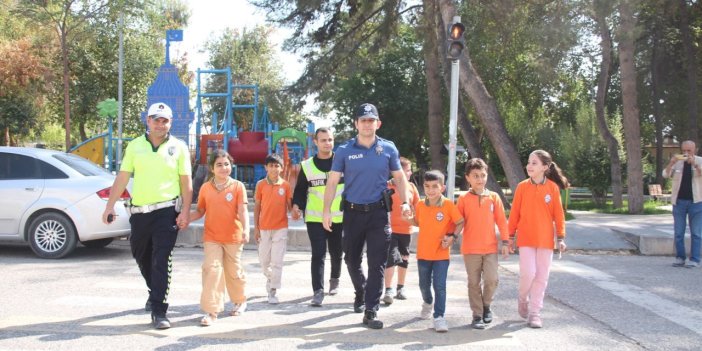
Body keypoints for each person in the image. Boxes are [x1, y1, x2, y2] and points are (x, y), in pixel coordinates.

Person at [102, 102, 193, 330]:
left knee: (161, 259)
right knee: (141, 256)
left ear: (170, 123)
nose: (160, 124)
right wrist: (109, 206)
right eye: (156, 119)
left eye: (165, 120)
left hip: (166, 211)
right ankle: (155, 292)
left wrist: (185, 211)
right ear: (148, 120)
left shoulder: (178, 147)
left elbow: (186, 183)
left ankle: (159, 310)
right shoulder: (134, 146)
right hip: (139, 212)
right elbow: (122, 177)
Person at [322, 102, 411, 330]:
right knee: (351, 259)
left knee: (377, 264)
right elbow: (332, 182)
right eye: (363, 120)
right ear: (356, 123)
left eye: (371, 120)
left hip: (379, 214)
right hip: (352, 213)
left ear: (377, 123)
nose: (367, 124)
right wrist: (326, 211)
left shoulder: (388, 148)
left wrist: (406, 202)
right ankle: (361, 291)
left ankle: (371, 310)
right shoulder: (344, 150)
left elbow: (400, 178)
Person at [508, 149, 568, 329]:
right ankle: (522, 297)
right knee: (528, 273)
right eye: (528, 162)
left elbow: (559, 215)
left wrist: (561, 237)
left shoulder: (552, 188)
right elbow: (514, 214)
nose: (529, 166)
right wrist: (509, 237)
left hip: (546, 240)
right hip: (526, 238)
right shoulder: (521, 187)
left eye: (534, 163)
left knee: (541, 277)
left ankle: (535, 313)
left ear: (545, 167)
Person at [189, 149, 249, 326]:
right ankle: (212, 311)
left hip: (233, 236)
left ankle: (240, 300)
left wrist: (246, 229)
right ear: (212, 168)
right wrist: (185, 219)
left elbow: (242, 210)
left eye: (227, 164)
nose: (224, 168)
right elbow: (200, 210)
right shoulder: (206, 188)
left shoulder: (238, 186)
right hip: (212, 236)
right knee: (212, 270)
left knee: (233, 271)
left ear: (231, 165)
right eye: (219, 165)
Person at [404, 170, 464, 333]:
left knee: (440, 286)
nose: (430, 190)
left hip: (441, 254)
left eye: (435, 187)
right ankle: (427, 302)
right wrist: (407, 217)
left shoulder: (449, 205)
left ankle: (439, 317)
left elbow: (460, 222)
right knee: (424, 285)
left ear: (442, 188)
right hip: (423, 253)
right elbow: (417, 222)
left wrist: (452, 237)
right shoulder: (420, 205)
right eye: (427, 186)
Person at [291, 127, 344, 307]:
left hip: (339, 217)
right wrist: (297, 206)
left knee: (337, 251)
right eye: (323, 140)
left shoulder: (342, 162)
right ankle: (318, 291)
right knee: (318, 254)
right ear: (315, 142)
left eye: (330, 140)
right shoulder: (306, 166)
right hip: (315, 218)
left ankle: (335, 279)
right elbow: (299, 190)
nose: (327, 143)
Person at [456, 158, 510, 329]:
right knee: (473, 282)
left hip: (490, 248)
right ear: (468, 178)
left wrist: (506, 242)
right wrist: (451, 236)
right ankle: (477, 314)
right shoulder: (463, 198)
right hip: (471, 248)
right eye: (475, 176)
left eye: (483, 175)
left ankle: (487, 305)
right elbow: (458, 221)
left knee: (492, 279)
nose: (480, 179)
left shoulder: (493, 197)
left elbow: (502, 221)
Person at [254, 153, 292, 304]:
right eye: (271, 165)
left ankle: (273, 291)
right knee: (264, 261)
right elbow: (257, 206)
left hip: (281, 228)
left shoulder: (286, 185)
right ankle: (270, 278)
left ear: (282, 168)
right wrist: (256, 227)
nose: (274, 168)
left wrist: (295, 211)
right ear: (266, 167)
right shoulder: (260, 185)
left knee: (277, 261)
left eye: (277, 166)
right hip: (264, 228)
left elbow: (290, 207)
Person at [382, 157, 420, 305]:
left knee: (404, 258)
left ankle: (401, 287)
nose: (409, 173)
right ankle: (388, 289)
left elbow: (418, 206)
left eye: (410, 170)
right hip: (390, 229)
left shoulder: (411, 187)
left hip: (406, 229)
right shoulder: (387, 186)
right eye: (406, 170)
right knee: (390, 259)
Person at [663, 140, 702, 268]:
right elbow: (665, 175)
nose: (685, 153)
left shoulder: (700, 160)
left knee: (696, 232)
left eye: (688, 151)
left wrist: (695, 165)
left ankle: (695, 259)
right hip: (678, 202)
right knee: (678, 232)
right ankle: (680, 257)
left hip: (696, 202)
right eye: (683, 150)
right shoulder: (678, 162)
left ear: (695, 150)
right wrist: (671, 163)